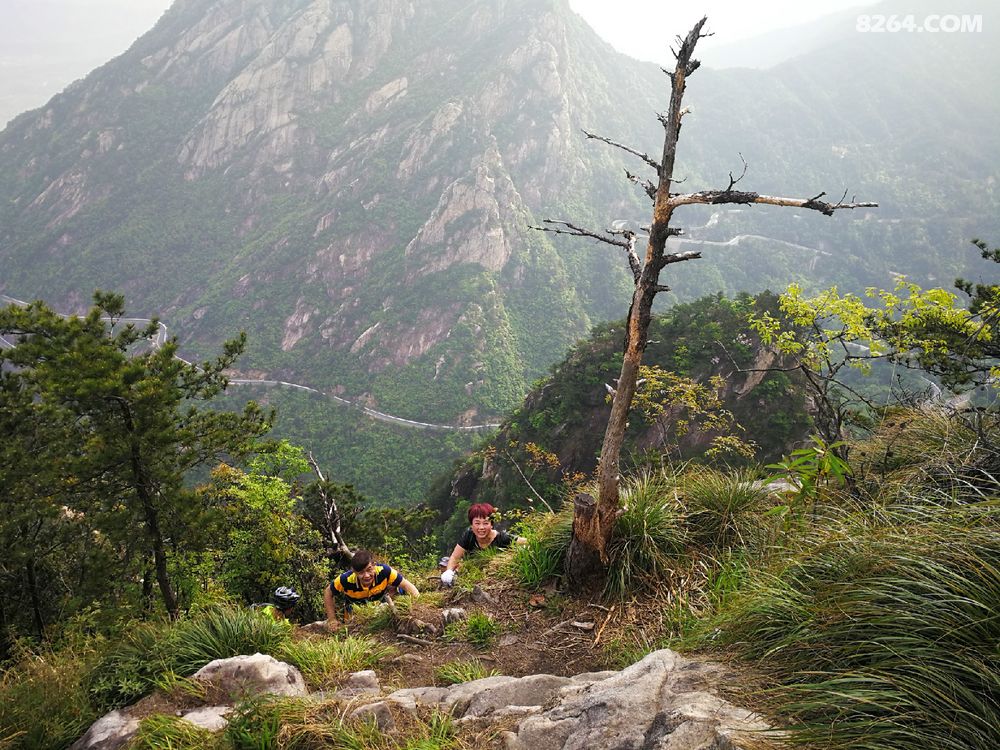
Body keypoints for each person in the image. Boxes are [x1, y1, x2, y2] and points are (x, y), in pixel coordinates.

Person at [440, 502, 526, 586]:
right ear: (471, 525)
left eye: (485, 523)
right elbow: (455, 557)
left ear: (491, 525)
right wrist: (449, 572)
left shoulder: (502, 538)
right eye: (477, 523)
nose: (481, 527)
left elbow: (524, 541)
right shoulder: (469, 535)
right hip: (471, 577)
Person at [324, 549, 420, 622]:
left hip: (381, 611)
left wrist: (419, 606)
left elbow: (408, 586)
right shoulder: (345, 580)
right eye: (361, 572)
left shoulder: (385, 571)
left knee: (398, 589)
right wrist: (332, 620)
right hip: (354, 618)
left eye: (369, 569)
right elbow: (328, 592)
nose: (366, 576)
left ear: (374, 565)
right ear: (354, 572)